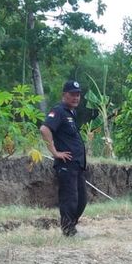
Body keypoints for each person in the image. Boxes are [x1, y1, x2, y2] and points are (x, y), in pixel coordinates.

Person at [40, 80, 88, 236]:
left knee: (82, 200)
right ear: (64, 95)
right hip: (66, 164)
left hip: (77, 164)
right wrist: (55, 152)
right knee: (70, 199)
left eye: (78, 95)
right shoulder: (58, 110)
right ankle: (68, 231)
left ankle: (71, 227)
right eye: (72, 94)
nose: (76, 98)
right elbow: (44, 128)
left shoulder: (71, 112)